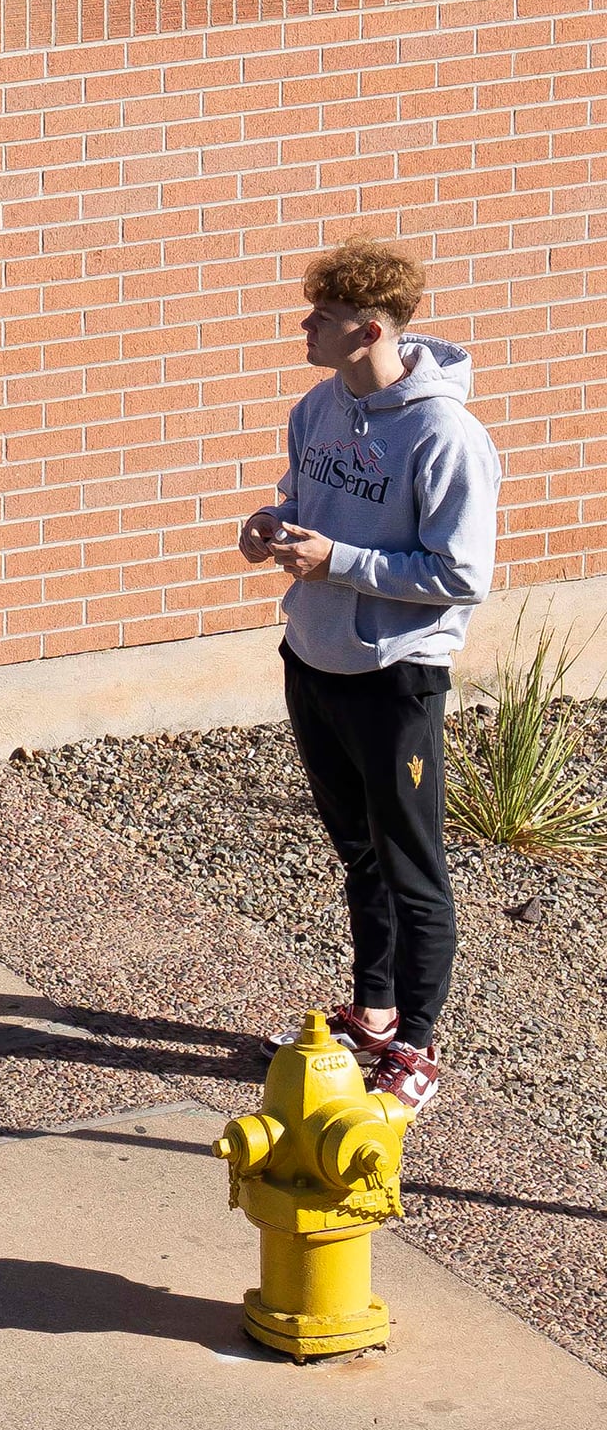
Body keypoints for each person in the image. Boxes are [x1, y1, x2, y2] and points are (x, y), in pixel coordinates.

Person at [237, 234, 501, 1118]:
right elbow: (303, 499)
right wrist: (272, 524)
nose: (305, 325)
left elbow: (459, 575)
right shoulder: (319, 406)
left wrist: (337, 560)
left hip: (394, 677)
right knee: (358, 852)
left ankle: (418, 1044)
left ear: (372, 329)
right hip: (311, 659)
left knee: (411, 866)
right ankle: (375, 1013)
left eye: (325, 316)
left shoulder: (445, 435)